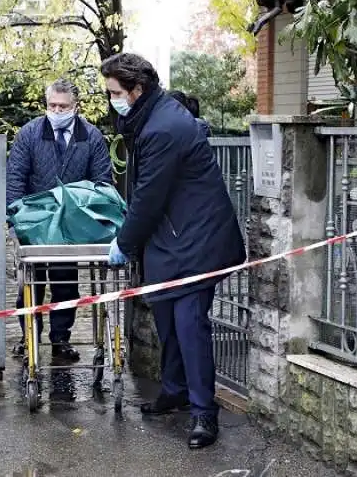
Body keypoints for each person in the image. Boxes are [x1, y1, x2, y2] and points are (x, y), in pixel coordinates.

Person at [102, 53, 245, 449]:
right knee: (166, 316)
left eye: (115, 92)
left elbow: (149, 196)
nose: (110, 98)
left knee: (188, 324)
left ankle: (203, 413)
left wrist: (125, 243)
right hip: (173, 239)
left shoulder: (163, 127)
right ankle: (175, 390)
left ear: (137, 89)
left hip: (197, 243)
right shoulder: (148, 117)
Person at [6, 78, 112, 361]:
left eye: (63, 106)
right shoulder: (29, 134)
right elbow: (15, 178)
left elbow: (102, 182)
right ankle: (29, 336)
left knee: (66, 284)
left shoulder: (91, 137)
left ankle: (60, 339)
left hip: (71, 224)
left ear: (75, 107)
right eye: (52, 105)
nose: (57, 110)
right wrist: (14, 222)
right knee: (30, 284)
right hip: (34, 221)